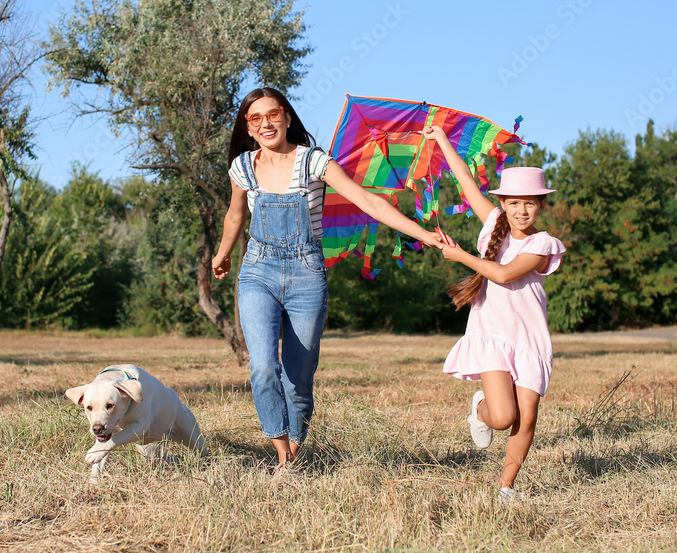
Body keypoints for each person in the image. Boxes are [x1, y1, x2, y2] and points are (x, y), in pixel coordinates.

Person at [213, 88, 445, 471]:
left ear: (287, 118)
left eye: (273, 115)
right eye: (256, 119)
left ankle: (296, 453)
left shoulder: (314, 162)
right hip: (258, 271)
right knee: (263, 367)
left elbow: (368, 201)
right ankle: (282, 456)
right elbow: (235, 215)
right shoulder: (242, 168)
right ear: (248, 128)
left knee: (299, 376)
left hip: (307, 274)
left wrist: (423, 234)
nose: (266, 123)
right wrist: (223, 254)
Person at [422, 124, 566, 504]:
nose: (522, 210)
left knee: (526, 419)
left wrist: (461, 256)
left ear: (541, 205)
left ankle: (506, 488)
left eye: (530, 202)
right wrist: (441, 142)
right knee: (503, 418)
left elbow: (502, 274)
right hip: (493, 336)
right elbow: (467, 182)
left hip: (529, 339)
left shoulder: (543, 243)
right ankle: (480, 408)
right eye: (514, 202)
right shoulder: (492, 227)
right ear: (503, 203)